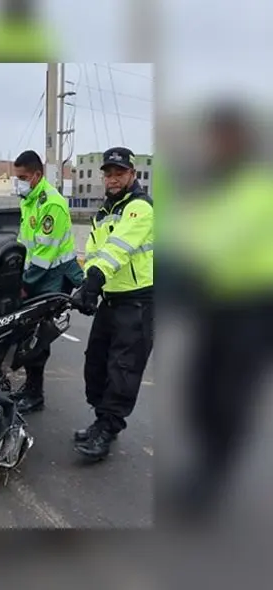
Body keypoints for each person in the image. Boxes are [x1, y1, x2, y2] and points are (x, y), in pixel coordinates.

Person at [161, 104, 273, 522]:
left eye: (224, 137)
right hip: (216, 306)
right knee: (199, 390)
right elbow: (188, 231)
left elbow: (219, 241)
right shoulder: (214, 186)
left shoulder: (257, 188)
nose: (215, 145)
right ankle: (206, 464)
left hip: (252, 308)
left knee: (228, 395)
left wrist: (178, 266)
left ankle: (212, 475)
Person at [70, 147, 154, 461]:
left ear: (132, 174)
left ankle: (108, 427)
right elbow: (95, 256)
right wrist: (87, 288)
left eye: (120, 173)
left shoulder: (140, 208)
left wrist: (94, 281)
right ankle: (100, 419)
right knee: (96, 362)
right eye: (109, 173)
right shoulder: (104, 212)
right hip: (111, 298)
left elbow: (118, 250)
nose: (113, 179)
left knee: (123, 368)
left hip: (138, 300)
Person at [8, 150, 84, 414]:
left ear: (37, 175)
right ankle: (30, 387)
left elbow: (45, 252)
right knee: (28, 333)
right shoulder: (29, 199)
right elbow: (24, 242)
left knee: (38, 337)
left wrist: (25, 283)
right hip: (39, 274)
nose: (17, 181)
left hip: (53, 277)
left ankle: (35, 393)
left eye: (22, 177)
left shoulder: (50, 203)